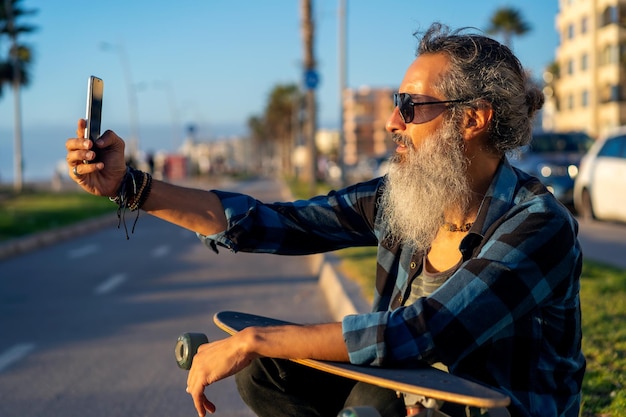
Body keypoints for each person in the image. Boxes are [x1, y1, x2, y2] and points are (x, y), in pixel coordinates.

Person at [65, 23, 585, 417]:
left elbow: (425, 332)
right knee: (267, 376)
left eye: (410, 106)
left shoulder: (539, 225)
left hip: (493, 409)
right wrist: (129, 187)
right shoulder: (401, 200)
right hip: (410, 392)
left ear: (473, 119)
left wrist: (257, 338)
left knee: (359, 398)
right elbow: (275, 222)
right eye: (393, 104)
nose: (391, 122)